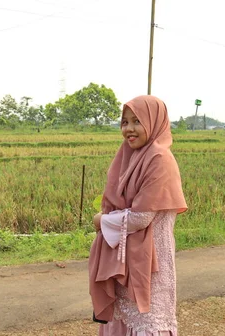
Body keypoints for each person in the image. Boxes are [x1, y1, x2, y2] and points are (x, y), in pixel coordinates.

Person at [89, 95, 188, 335]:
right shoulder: (129, 156)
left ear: (154, 122)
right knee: (125, 316)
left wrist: (101, 221)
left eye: (137, 121)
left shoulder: (159, 158)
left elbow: (142, 217)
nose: (129, 129)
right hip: (124, 255)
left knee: (148, 318)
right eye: (124, 122)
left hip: (150, 258)